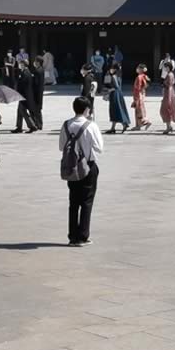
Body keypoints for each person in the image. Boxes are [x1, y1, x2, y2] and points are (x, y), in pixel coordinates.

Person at [60, 97, 104, 245]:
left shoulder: (66, 124)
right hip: (88, 166)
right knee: (86, 201)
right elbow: (99, 148)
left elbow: (61, 147)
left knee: (73, 202)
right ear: (87, 109)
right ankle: (83, 235)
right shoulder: (91, 126)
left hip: (71, 167)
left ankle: (72, 236)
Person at [12, 59, 39, 133]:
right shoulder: (25, 72)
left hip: (24, 96)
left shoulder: (25, 73)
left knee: (22, 111)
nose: (19, 65)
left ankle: (32, 126)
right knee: (19, 111)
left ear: (24, 64)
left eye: (20, 64)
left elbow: (23, 86)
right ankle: (19, 126)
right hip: (24, 95)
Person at [103, 65, 131, 133]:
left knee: (115, 109)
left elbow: (109, 86)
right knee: (118, 109)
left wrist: (106, 93)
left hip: (114, 93)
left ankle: (123, 123)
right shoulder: (118, 75)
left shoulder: (110, 75)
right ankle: (113, 127)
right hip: (119, 93)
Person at [160, 63, 175, 132]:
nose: (165, 69)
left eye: (166, 67)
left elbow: (169, 86)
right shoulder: (170, 74)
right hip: (169, 93)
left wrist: (169, 98)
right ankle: (168, 126)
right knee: (166, 110)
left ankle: (168, 127)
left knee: (165, 110)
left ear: (169, 67)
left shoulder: (169, 75)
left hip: (169, 93)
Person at [132, 64, 151, 130]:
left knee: (138, 110)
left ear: (140, 69)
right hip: (142, 94)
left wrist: (135, 97)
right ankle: (138, 125)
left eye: (138, 68)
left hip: (138, 95)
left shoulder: (139, 77)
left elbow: (138, 87)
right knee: (140, 110)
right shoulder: (145, 76)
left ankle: (144, 123)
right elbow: (146, 85)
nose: (137, 69)